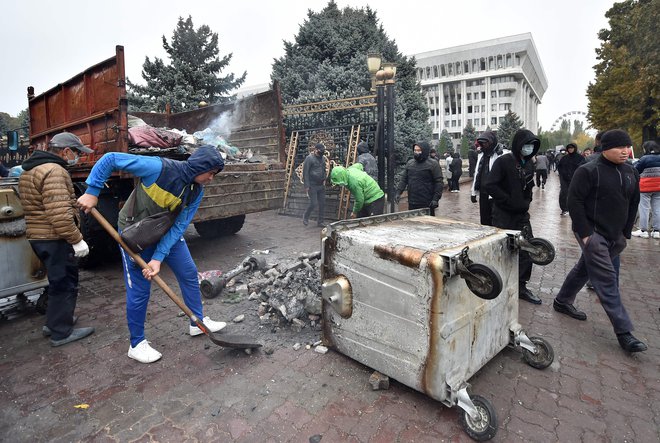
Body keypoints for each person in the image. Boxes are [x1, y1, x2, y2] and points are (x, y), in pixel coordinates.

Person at [76, 145, 227, 363]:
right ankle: (136, 344)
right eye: (211, 173)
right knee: (140, 289)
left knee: (188, 272)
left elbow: (179, 226)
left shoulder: (196, 191)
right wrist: (92, 191)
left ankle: (198, 322)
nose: (211, 178)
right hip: (134, 234)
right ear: (200, 166)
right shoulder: (159, 167)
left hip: (164, 231)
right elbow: (110, 158)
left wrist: (158, 258)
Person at [553, 129, 646, 353]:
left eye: (627, 147)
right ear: (605, 148)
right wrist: (586, 235)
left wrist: (625, 233)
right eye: (619, 147)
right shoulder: (588, 170)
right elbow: (574, 201)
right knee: (606, 278)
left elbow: (634, 201)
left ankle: (562, 301)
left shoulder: (630, 172)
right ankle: (624, 332)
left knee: (584, 267)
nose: (625, 151)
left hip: (615, 235)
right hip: (592, 232)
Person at [18, 133, 95, 347]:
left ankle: (54, 323)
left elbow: (48, 205)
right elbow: (59, 216)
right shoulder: (55, 171)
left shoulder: (31, 168)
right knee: (65, 283)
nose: (78, 157)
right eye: (77, 152)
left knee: (55, 281)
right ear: (66, 151)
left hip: (38, 236)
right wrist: (77, 239)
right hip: (54, 237)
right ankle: (61, 333)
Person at [483, 129, 542, 304]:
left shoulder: (529, 163)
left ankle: (521, 286)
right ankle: (498, 282)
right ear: (518, 145)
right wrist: (507, 200)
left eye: (532, 146)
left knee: (527, 248)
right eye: (526, 145)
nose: (529, 148)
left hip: (522, 215)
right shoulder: (504, 162)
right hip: (503, 214)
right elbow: (490, 185)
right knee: (503, 249)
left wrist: (526, 201)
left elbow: (529, 185)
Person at [395, 141, 443, 216]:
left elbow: (439, 182)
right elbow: (404, 179)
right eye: (415, 150)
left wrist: (435, 199)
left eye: (419, 150)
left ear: (424, 151)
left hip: (427, 202)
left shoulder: (433, 164)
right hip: (412, 201)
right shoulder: (410, 163)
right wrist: (398, 192)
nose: (416, 152)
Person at [470, 131, 503, 225]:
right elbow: (477, 174)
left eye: (486, 142)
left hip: (496, 194)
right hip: (483, 193)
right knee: (484, 219)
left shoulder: (500, 155)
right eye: (482, 143)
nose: (484, 145)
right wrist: (474, 192)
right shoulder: (481, 156)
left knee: (496, 219)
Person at [632, 140, 660, 239]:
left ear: (646, 148)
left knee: (644, 208)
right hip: (658, 187)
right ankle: (657, 231)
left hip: (645, 187)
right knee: (657, 208)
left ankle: (643, 230)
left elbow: (635, 170)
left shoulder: (644, 158)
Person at [557, 143, 585, 215]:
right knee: (564, 193)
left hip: (576, 179)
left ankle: (575, 208)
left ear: (575, 148)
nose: (570, 149)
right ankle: (564, 209)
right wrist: (563, 174)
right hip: (564, 179)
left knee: (575, 194)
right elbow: (559, 167)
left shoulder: (580, 158)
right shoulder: (564, 158)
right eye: (569, 148)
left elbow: (583, 167)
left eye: (572, 148)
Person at [302, 143, 327, 227]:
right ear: (315, 150)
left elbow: (324, 169)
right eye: (320, 151)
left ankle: (320, 221)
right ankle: (306, 216)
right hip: (312, 185)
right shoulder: (309, 158)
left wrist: (324, 179)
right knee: (313, 203)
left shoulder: (322, 158)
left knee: (322, 203)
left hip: (321, 184)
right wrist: (306, 185)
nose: (321, 153)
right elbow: (305, 172)